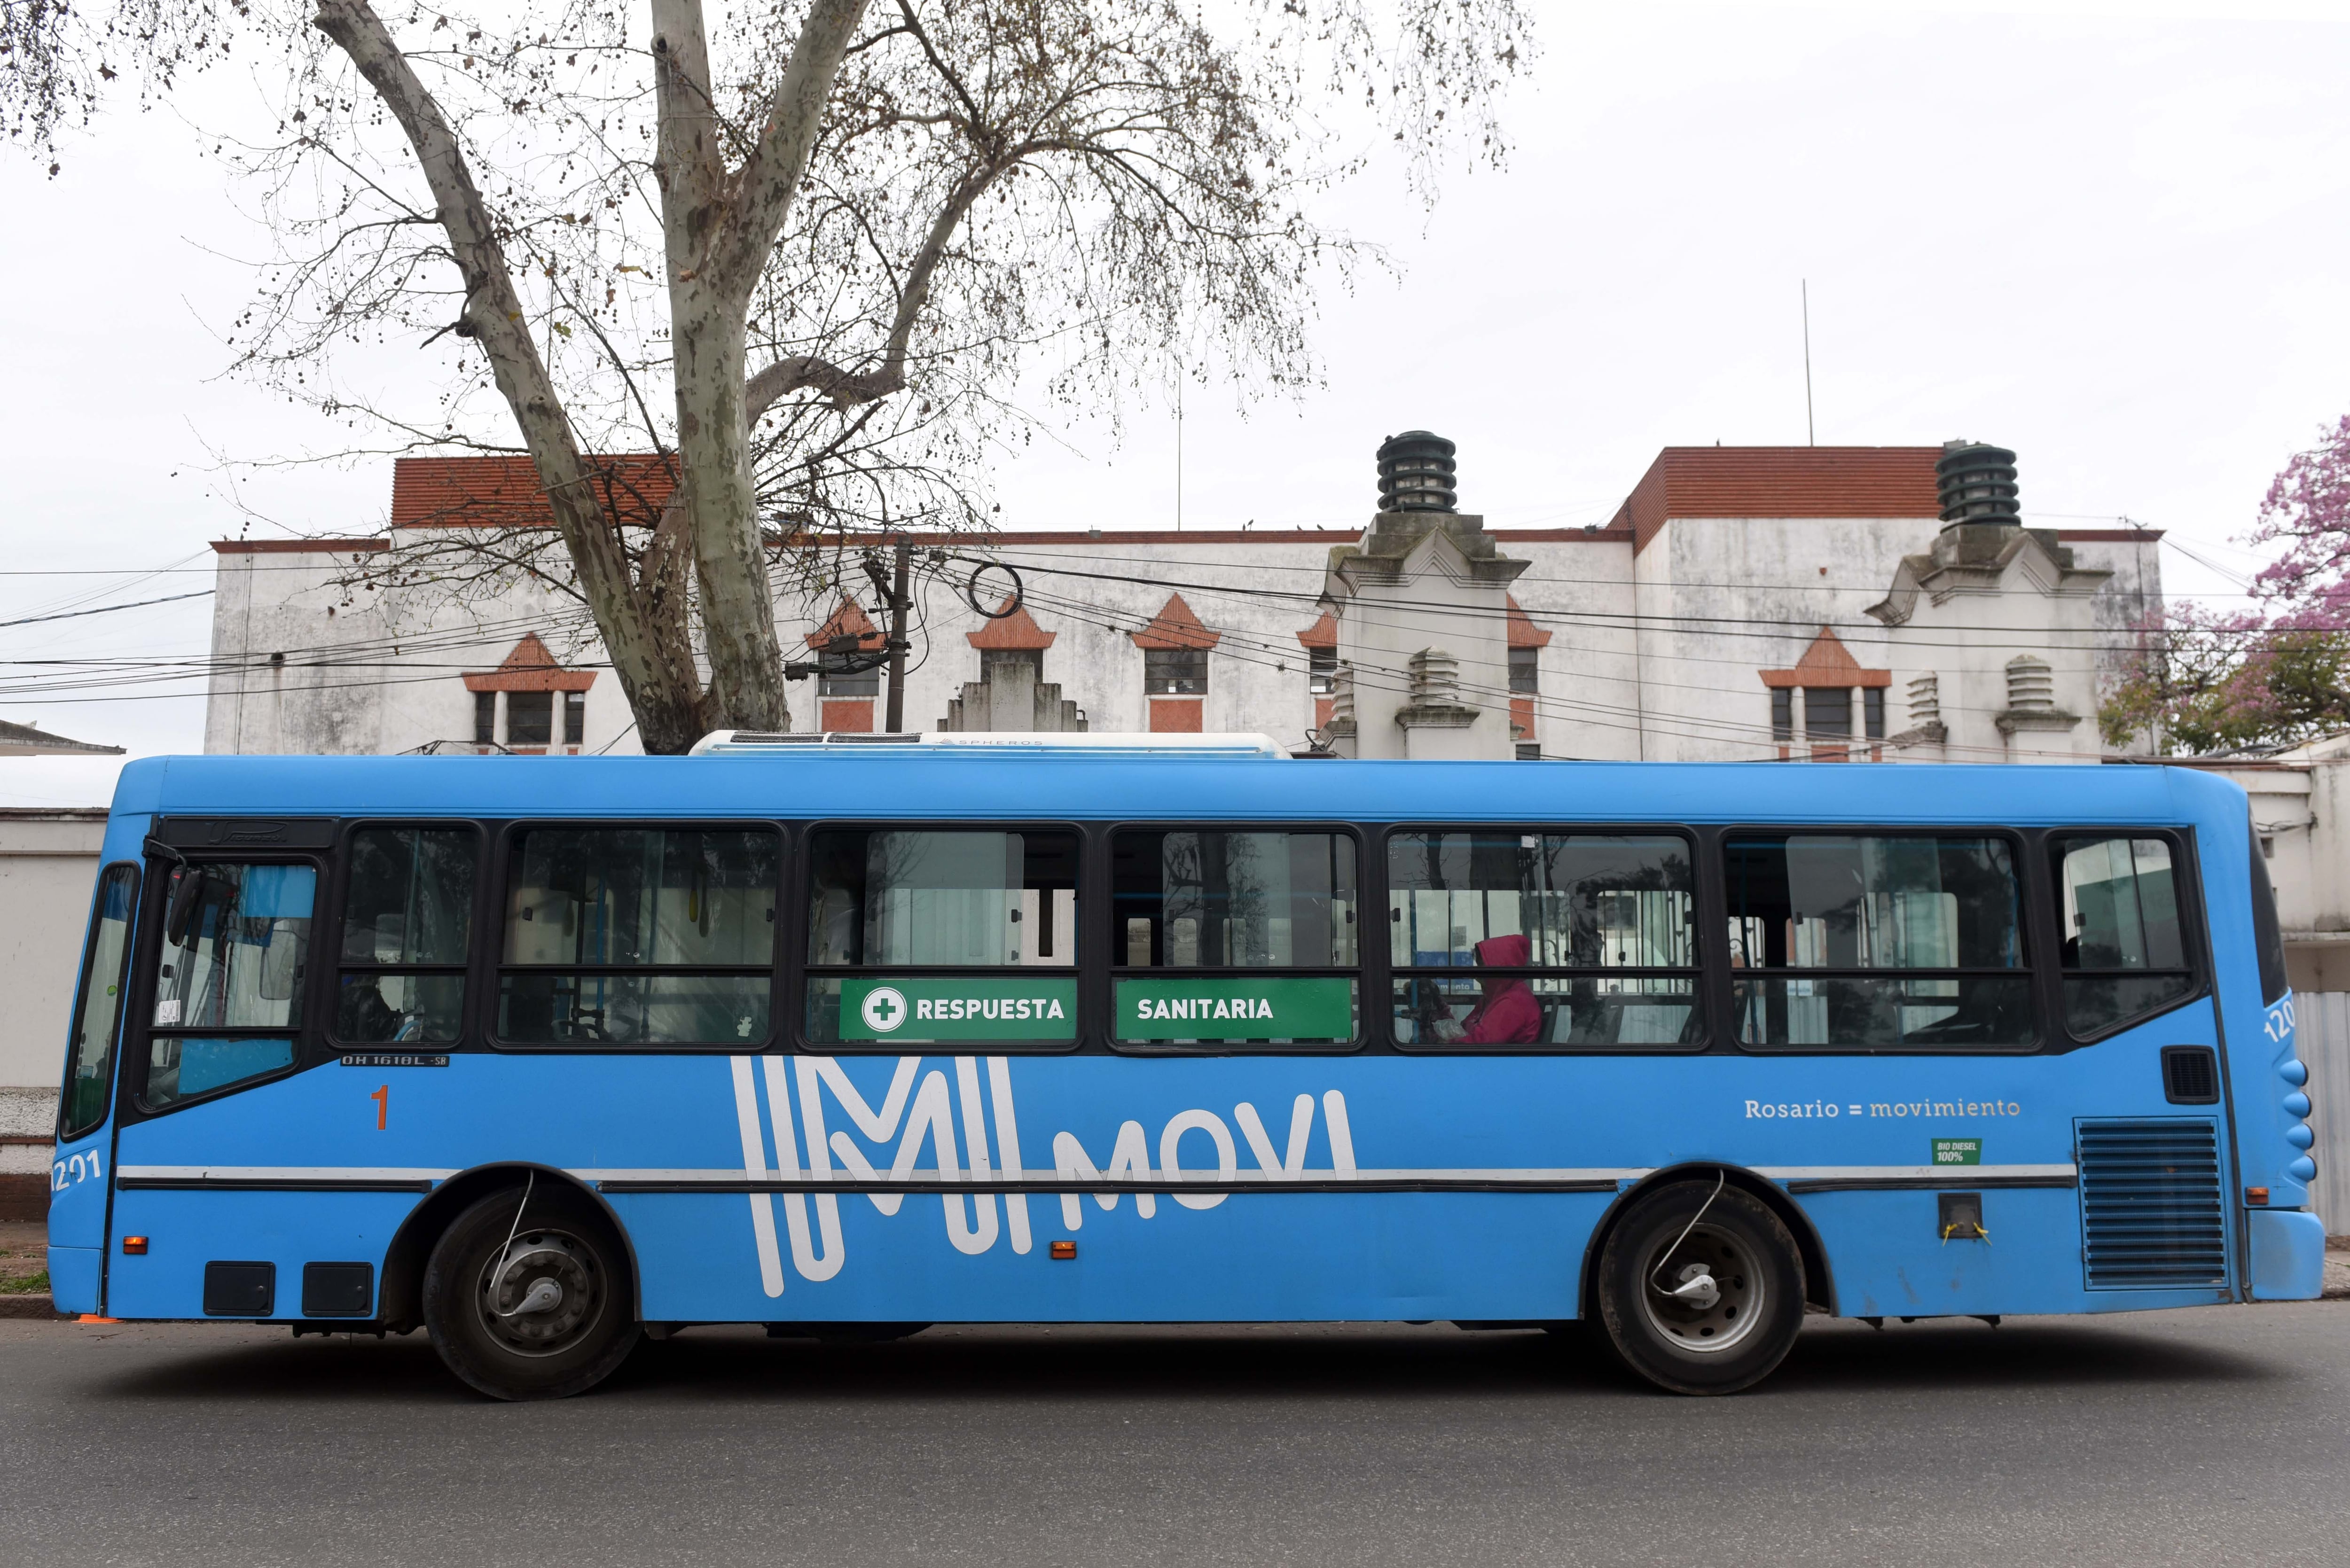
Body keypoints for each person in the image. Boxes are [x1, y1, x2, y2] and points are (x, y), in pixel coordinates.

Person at [1425, 932, 1542, 1045]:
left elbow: (1481, 1044)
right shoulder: (1495, 997)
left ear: (1497, 970)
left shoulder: (1513, 1003)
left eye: (1482, 970)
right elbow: (1466, 1026)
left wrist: (1448, 1044)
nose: (1477, 978)